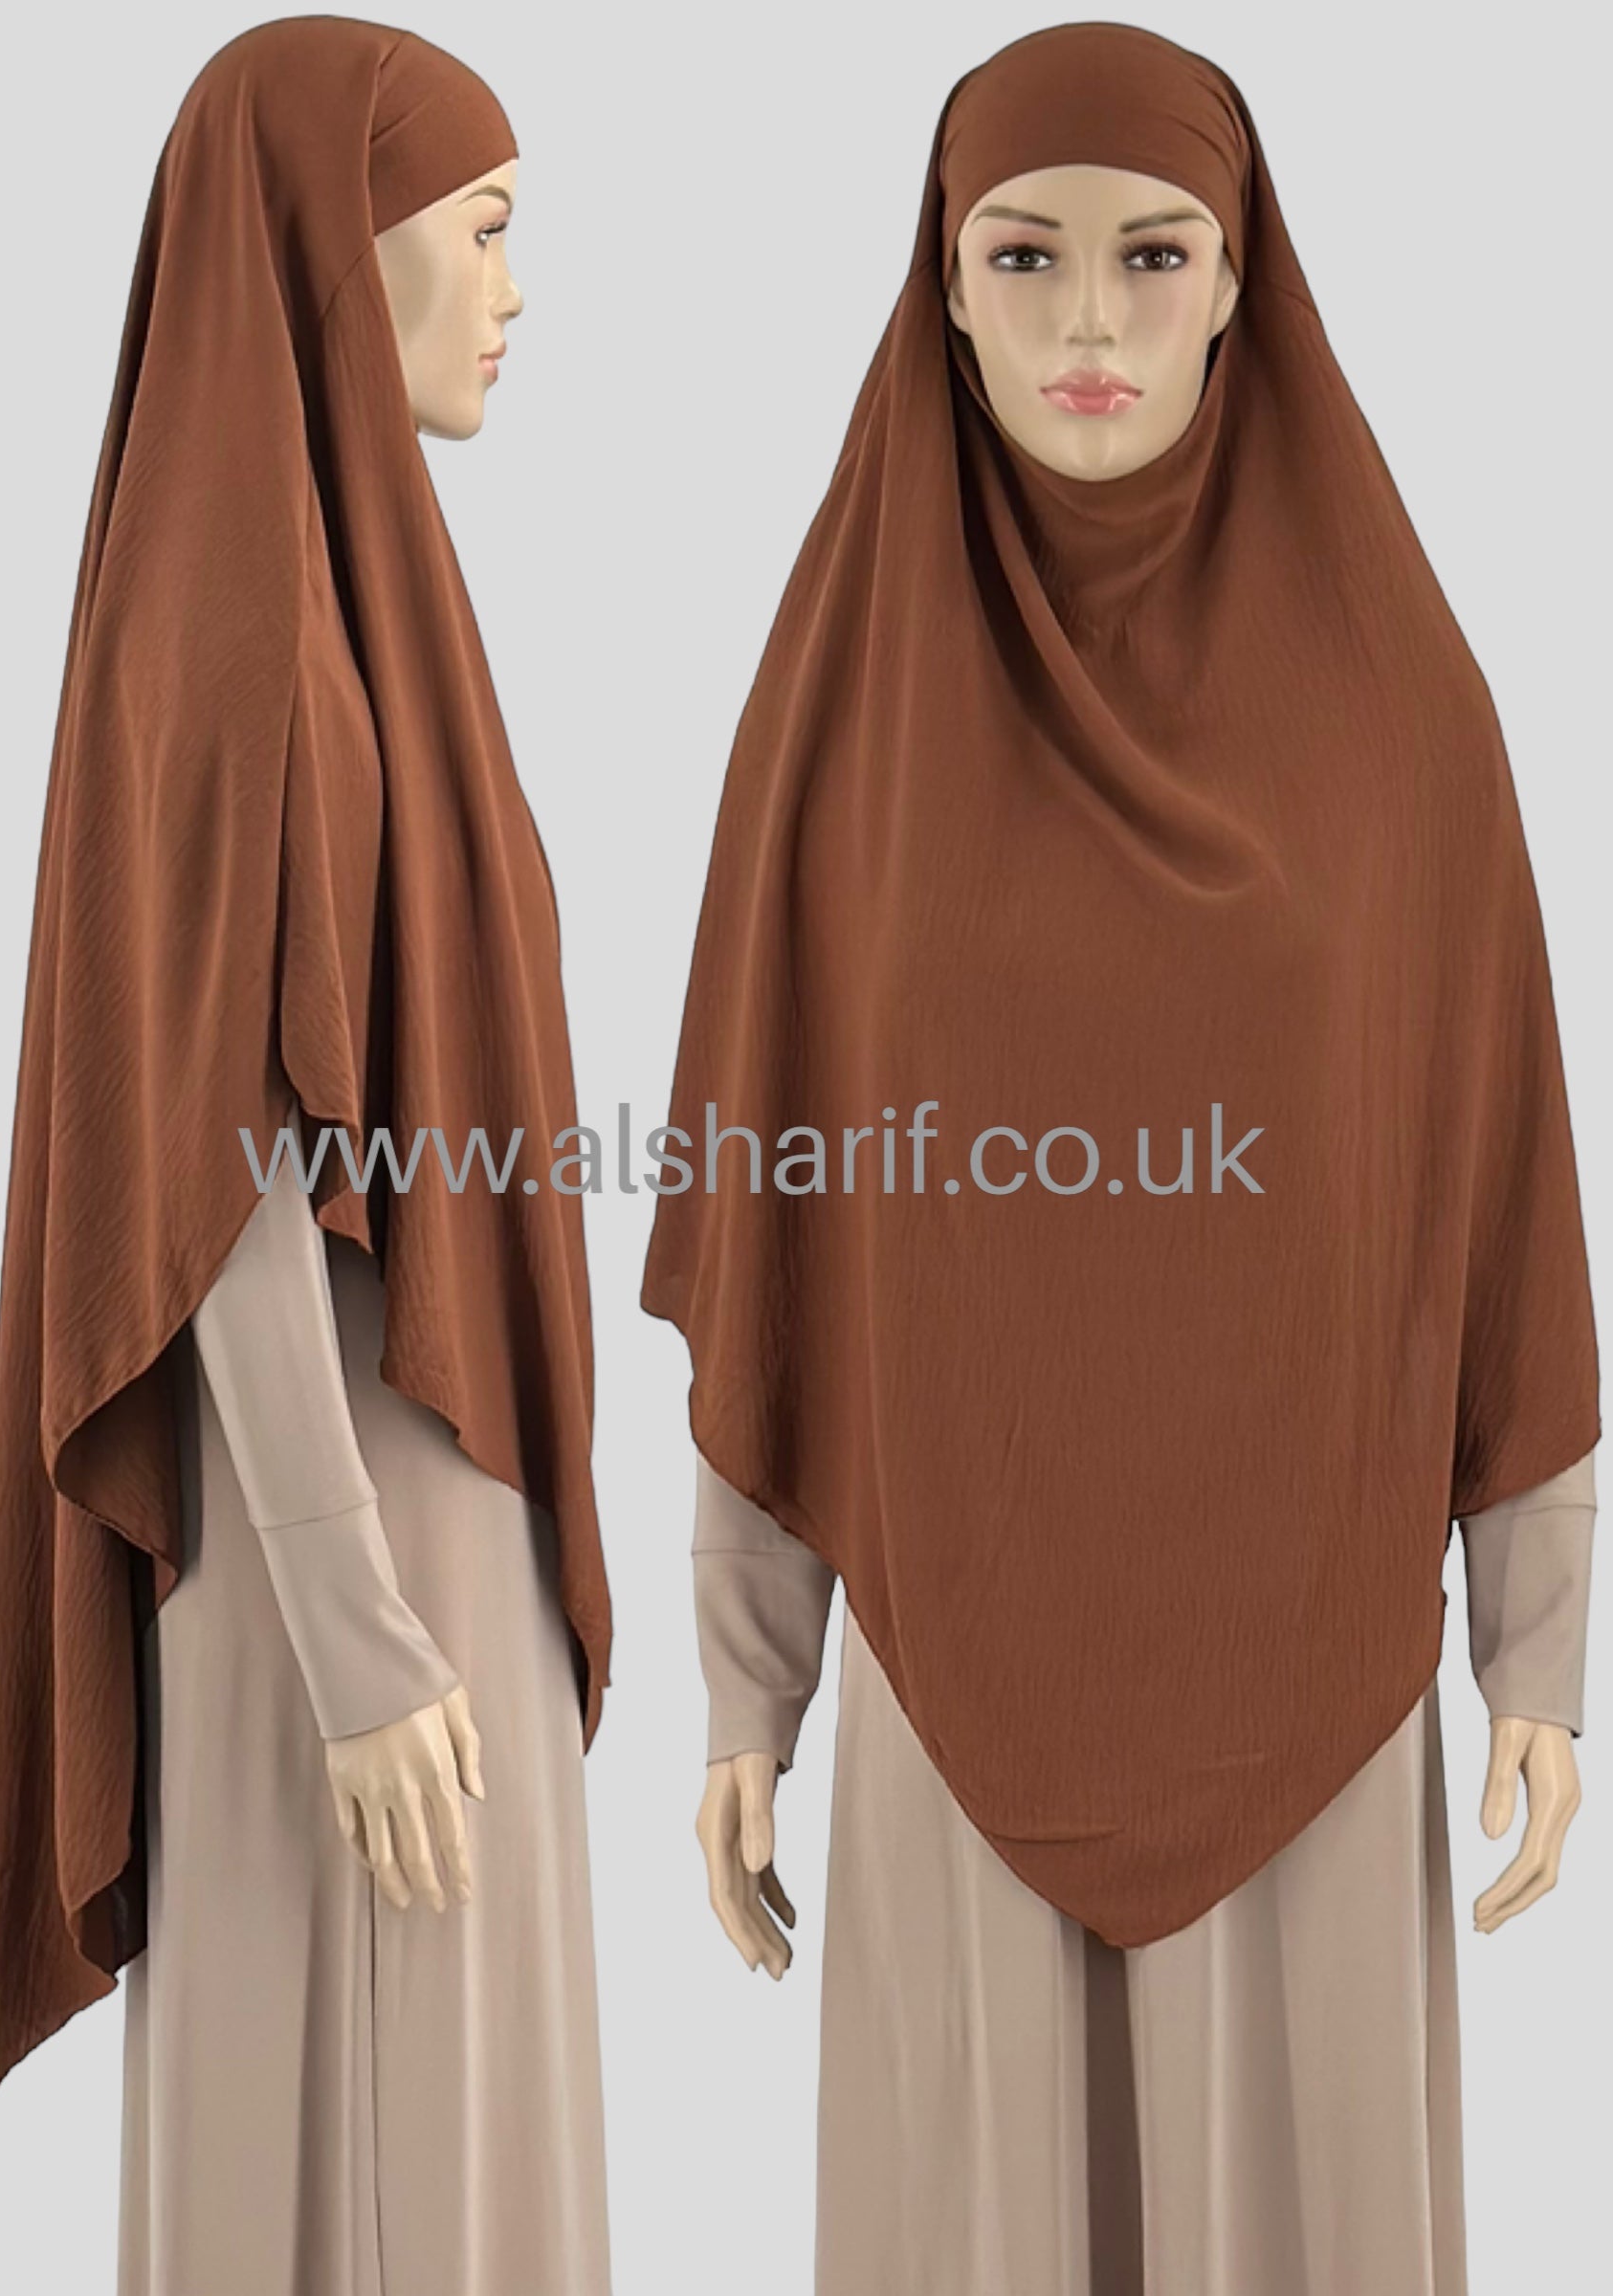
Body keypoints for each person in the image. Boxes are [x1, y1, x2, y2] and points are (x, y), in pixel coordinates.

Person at [643, 23, 1599, 2293]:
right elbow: (788, 1215)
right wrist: (750, 1685)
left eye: (1155, 256)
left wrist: (1540, 1649)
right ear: (944, 284)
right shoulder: (840, 719)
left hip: (1313, 1662)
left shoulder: (1402, 714)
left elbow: (1495, 1182)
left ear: (1243, 274)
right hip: (952, 1651)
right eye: (1027, 256)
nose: (1091, 319)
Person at [0, 21, 612, 2294]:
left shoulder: (337, 597)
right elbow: (212, 1166)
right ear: (340, 244)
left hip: (407, 1500)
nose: (515, 292)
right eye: (482, 232)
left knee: (435, 2143)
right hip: (347, 1520)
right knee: (378, 2155)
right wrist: (354, 1629)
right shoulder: (247, 634)